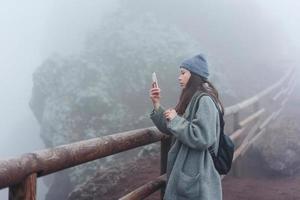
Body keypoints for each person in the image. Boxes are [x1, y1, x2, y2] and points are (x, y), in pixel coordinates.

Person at [149, 54, 224, 200]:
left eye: (183, 73)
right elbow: (173, 127)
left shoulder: (205, 100)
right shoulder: (192, 98)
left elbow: (203, 137)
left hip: (197, 174)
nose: (179, 77)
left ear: (194, 76)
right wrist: (157, 104)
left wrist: (176, 120)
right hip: (189, 172)